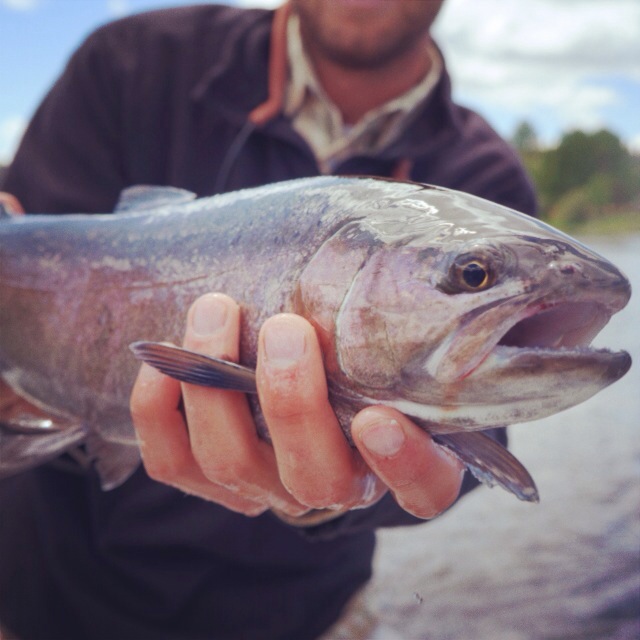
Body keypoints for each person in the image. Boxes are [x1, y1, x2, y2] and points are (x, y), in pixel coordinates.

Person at [0, 1, 537, 639]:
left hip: (303, 617)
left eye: (472, 275)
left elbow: (485, 436)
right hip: (55, 596)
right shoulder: (131, 61)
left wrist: (331, 499)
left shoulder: (485, 179)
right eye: (472, 274)